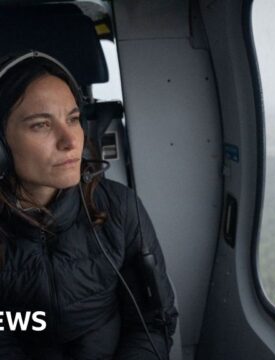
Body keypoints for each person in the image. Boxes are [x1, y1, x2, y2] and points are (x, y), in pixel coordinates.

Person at [0, 51, 178, 360]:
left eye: (73, 119)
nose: (71, 141)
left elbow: (153, 321)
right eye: (41, 125)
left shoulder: (119, 208)